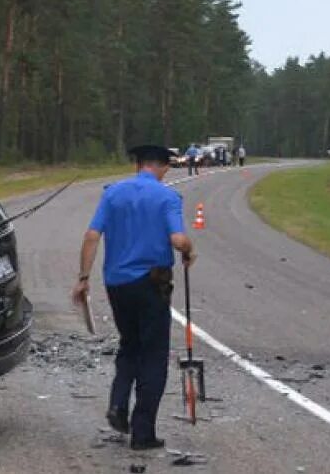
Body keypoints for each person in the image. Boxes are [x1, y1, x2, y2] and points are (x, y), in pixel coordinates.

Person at [72, 144, 195, 451]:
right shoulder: (167, 197)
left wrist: (83, 278)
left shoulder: (112, 193)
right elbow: (177, 239)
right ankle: (143, 433)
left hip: (117, 284)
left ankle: (118, 403)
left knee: (129, 344)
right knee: (153, 354)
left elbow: (91, 236)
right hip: (152, 284)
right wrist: (189, 250)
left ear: (137, 165)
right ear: (164, 168)